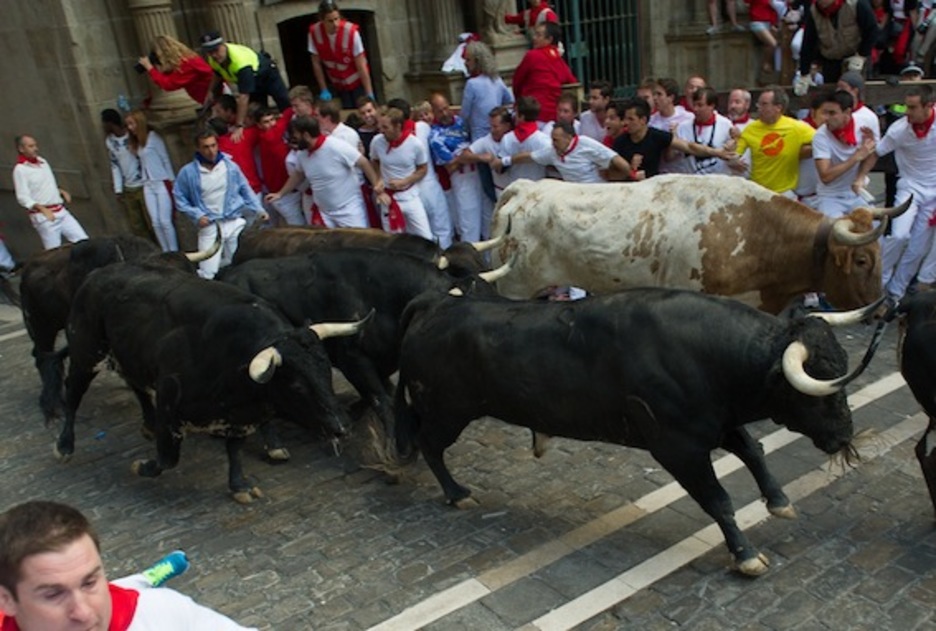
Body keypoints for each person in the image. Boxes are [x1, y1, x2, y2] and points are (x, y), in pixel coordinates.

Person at [0, 500, 255, 630]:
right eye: (53, 594)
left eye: (90, 581)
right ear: (6, 600)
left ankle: (147, 577)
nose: (85, 614)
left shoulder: (162, 613)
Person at [174, 127, 266, 279]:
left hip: (233, 220)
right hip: (210, 225)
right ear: (198, 148)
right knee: (208, 272)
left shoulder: (230, 166)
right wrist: (197, 215)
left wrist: (259, 209)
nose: (211, 151)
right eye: (206, 147)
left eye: (213, 145)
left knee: (239, 264)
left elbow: (245, 189)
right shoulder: (188, 172)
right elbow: (179, 198)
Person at [875, 84, 936, 303]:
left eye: (911, 108)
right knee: (899, 235)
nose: (906, 113)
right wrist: (858, 177)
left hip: (934, 192)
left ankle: (895, 292)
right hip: (909, 186)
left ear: (929, 106)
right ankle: (877, 284)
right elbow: (876, 151)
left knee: (918, 248)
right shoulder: (899, 129)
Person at [267, 116, 384, 229]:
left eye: (295, 136)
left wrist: (376, 186)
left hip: (349, 209)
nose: (293, 140)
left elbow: (363, 162)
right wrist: (280, 193)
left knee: (358, 244)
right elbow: (298, 174)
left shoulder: (336, 146)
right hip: (324, 212)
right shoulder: (302, 154)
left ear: (306, 135)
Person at [200, 31, 289, 142]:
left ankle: (292, 132)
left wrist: (239, 125)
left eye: (216, 50)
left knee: (285, 104)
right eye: (209, 52)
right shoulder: (214, 59)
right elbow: (217, 73)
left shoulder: (240, 62)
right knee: (257, 113)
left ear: (223, 45)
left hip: (267, 76)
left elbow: (243, 97)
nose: (213, 55)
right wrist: (210, 91)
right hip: (254, 83)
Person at [389, 97, 455, 248]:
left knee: (419, 236)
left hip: (409, 192)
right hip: (429, 185)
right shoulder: (423, 128)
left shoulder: (389, 140)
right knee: (442, 229)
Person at [614, 98, 732, 180]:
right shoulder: (620, 142)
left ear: (643, 120)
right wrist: (630, 171)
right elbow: (609, 174)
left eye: (631, 119)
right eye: (625, 119)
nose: (625, 123)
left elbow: (688, 146)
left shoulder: (656, 136)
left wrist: (716, 152)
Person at [732, 86, 816, 196]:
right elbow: (735, 154)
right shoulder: (750, 129)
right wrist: (733, 160)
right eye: (759, 104)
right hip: (758, 191)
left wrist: (805, 151)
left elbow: (822, 140)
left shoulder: (796, 128)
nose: (759, 108)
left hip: (785, 192)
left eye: (764, 104)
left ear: (778, 108)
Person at [12, 135, 89, 250]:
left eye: (35, 145)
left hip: (60, 210)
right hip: (44, 216)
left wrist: (60, 191)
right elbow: (23, 197)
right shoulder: (20, 170)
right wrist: (43, 209)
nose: (35, 148)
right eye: (31, 146)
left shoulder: (42, 162)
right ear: (21, 149)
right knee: (54, 252)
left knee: (83, 241)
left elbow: (45, 184)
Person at [428, 92, 485, 241]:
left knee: (487, 217)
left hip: (480, 173)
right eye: (439, 111)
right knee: (469, 222)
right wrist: (465, 157)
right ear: (433, 112)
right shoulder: (435, 136)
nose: (445, 113)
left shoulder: (463, 121)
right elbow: (450, 167)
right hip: (462, 178)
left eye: (446, 108)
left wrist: (465, 156)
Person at [812, 89, 878, 217]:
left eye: (832, 113)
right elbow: (825, 176)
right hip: (830, 196)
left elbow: (872, 153)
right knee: (832, 232)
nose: (827, 118)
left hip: (855, 193)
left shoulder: (865, 123)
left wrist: (860, 177)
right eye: (825, 113)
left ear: (847, 113)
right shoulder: (820, 136)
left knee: (873, 227)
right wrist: (856, 158)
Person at [500, 120, 632, 184]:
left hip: (596, 191)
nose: (553, 144)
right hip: (573, 196)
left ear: (569, 138)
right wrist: (504, 161)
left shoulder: (585, 143)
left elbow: (617, 160)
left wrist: (626, 175)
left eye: (556, 140)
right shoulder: (552, 152)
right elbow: (528, 156)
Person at [369, 107, 433, 238]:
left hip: (410, 196)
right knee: (392, 240)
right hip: (388, 198)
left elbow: (423, 169)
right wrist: (379, 180)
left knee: (426, 236)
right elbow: (374, 161)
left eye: (385, 127)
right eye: (380, 126)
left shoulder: (415, 144)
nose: (381, 131)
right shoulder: (377, 142)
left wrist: (405, 181)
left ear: (397, 126)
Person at [125, 110, 178, 252]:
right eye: (128, 124)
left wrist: (171, 181)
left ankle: (173, 250)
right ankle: (165, 250)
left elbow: (165, 159)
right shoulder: (139, 143)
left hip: (160, 181)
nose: (130, 128)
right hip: (147, 183)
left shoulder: (154, 138)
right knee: (155, 223)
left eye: (132, 123)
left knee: (165, 221)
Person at [308, 1, 375, 108]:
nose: (335, 24)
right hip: (338, 85)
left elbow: (361, 65)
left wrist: (369, 93)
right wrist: (323, 89)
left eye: (337, 19)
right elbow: (316, 63)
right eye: (330, 21)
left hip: (357, 83)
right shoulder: (315, 33)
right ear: (321, 20)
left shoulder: (351, 32)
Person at [101, 108, 153, 242]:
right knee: (137, 225)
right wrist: (118, 189)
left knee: (151, 220)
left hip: (143, 184)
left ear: (110, 123)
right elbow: (115, 165)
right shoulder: (110, 142)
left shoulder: (131, 137)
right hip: (128, 187)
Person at [797, 0, 879, 84]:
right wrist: (804, 74)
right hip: (831, 61)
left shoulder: (856, 4)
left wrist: (862, 55)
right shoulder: (814, 12)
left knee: (857, 90)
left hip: (855, 59)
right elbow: (808, 43)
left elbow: (872, 30)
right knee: (832, 92)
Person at [512, 21, 577, 124]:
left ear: (549, 39)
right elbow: (572, 82)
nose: (534, 38)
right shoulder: (557, 58)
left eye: (538, 35)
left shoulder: (532, 55)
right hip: (554, 115)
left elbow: (517, 81)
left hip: (532, 114)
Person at [674, 87, 736, 175]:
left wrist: (733, 143)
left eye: (700, 105)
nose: (695, 109)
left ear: (712, 106)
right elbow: (670, 157)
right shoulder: (683, 127)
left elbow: (732, 152)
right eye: (694, 105)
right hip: (691, 182)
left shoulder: (726, 125)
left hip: (717, 182)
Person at [138, 34, 214, 105]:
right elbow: (172, 78)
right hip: (210, 99)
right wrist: (159, 69)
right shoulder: (187, 59)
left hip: (215, 98)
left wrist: (150, 68)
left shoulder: (187, 64)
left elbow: (168, 84)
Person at [499, 97, 552, 186]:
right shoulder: (544, 140)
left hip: (516, 189)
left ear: (522, 117)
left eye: (516, 112)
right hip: (538, 189)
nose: (514, 115)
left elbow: (501, 169)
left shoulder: (507, 138)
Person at [836, 71, 882, 141]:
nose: (838, 91)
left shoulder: (869, 116)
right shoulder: (833, 112)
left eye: (842, 88)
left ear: (855, 91)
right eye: (838, 87)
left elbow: (876, 145)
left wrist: (871, 139)